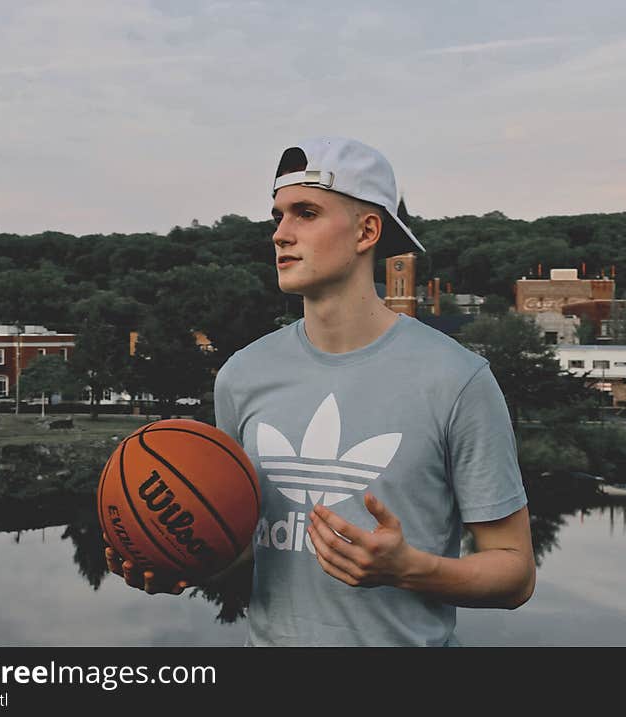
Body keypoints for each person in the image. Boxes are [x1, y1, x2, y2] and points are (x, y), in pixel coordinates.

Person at [106, 136, 535, 646]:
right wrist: (180, 553)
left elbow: (515, 574)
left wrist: (408, 568)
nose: (281, 235)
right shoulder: (242, 375)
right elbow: (247, 542)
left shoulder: (456, 379)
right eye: (277, 217)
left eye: (306, 213)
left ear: (366, 230)